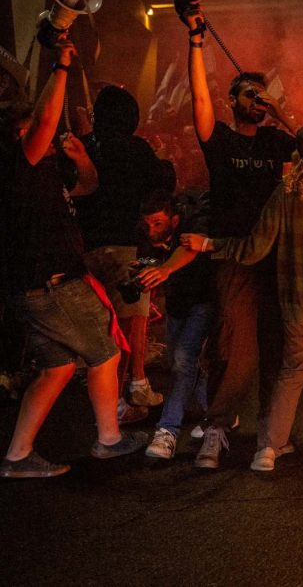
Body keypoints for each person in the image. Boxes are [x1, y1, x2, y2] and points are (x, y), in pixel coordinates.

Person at [183, 124, 303, 472]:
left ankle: (268, 450)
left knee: (292, 374)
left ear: (298, 158)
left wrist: (211, 243)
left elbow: (255, 249)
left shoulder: (286, 195)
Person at [0, 37, 146, 477]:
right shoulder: (13, 162)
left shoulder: (43, 168)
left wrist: (81, 157)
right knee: (104, 353)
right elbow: (46, 116)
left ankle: (18, 457)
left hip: (37, 285)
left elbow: (87, 187)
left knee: (57, 369)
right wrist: (60, 66)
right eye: (38, 131)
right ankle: (109, 439)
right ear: (23, 132)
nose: (48, 136)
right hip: (51, 282)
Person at [185, 5, 297, 469]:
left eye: (260, 95)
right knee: (238, 347)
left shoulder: (276, 141)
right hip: (233, 257)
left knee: (280, 346)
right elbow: (198, 102)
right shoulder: (223, 141)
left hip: (278, 255)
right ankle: (215, 428)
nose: (256, 100)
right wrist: (196, 43)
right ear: (232, 101)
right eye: (248, 95)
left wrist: (280, 108)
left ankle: (272, 434)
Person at [74, 85, 177, 419]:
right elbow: (162, 185)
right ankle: (122, 400)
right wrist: (163, 161)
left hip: (86, 250)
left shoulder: (85, 146)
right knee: (130, 321)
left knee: (110, 324)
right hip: (126, 248)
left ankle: (136, 385)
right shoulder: (135, 148)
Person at [134, 190, 215, 459]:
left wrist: (165, 268)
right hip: (177, 306)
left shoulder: (192, 228)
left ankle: (167, 431)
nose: (151, 229)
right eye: (147, 224)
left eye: (158, 223)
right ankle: (218, 414)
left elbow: (188, 250)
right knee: (184, 364)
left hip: (202, 302)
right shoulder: (147, 238)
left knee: (183, 360)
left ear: (175, 220)